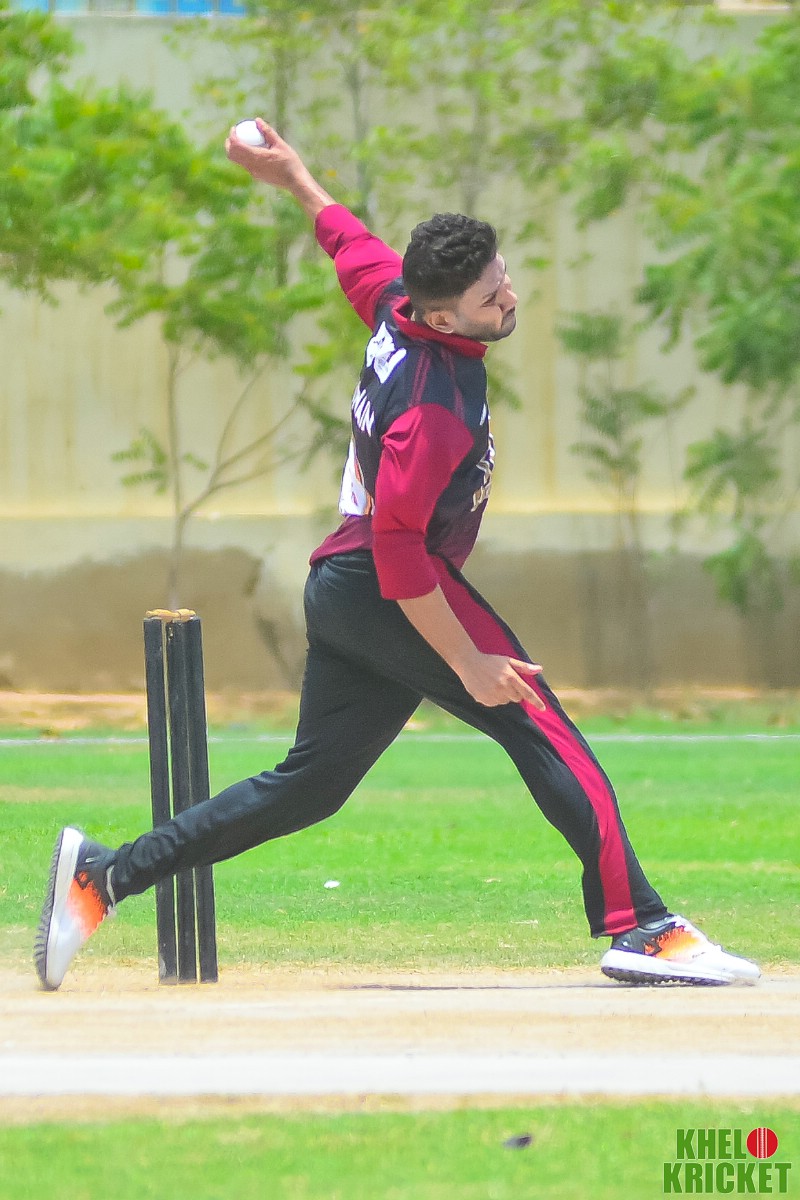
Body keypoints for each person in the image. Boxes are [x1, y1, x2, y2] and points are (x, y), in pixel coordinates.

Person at [35, 120, 759, 992]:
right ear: (442, 313)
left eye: (503, 278)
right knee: (538, 723)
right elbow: (399, 551)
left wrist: (293, 174)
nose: (510, 298)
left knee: (309, 788)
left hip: (347, 590)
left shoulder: (399, 306)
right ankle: (642, 926)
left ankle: (104, 876)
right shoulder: (431, 407)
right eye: (491, 297)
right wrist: (469, 662)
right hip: (385, 587)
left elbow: (350, 244)